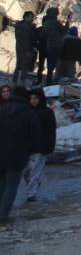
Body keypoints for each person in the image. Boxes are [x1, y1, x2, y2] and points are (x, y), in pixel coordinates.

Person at [0, 85, 40, 224]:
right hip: (18, 156)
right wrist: (28, 151)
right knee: (11, 186)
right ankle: (3, 216)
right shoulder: (29, 113)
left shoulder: (1, 109)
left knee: (2, 184)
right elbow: (35, 136)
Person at [22, 87, 56, 202]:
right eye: (31, 98)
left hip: (41, 147)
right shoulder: (27, 112)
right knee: (26, 171)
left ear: (40, 99)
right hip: (27, 147)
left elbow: (51, 131)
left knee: (34, 171)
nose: (33, 101)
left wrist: (49, 146)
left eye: (35, 98)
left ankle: (31, 194)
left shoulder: (47, 112)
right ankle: (34, 186)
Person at [40, 7, 66, 85]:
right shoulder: (56, 23)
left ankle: (48, 80)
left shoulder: (46, 23)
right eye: (57, 13)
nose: (57, 15)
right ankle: (50, 80)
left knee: (50, 64)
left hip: (49, 45)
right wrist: (67, 24)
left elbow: (43, 35)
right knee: (53, 64)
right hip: (56, 45)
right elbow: (64, 31)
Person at [13, 12, 36, 84]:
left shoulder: (20, 25)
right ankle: (21, 83)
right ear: (25, 17)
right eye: (30, 17)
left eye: (32, 17)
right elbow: (26, 39)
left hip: (19, 47)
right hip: (25, 49)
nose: (32, 18)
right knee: (24, 66)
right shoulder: (26, 26)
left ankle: (15, 81)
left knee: (18, 65)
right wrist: (28, 51)